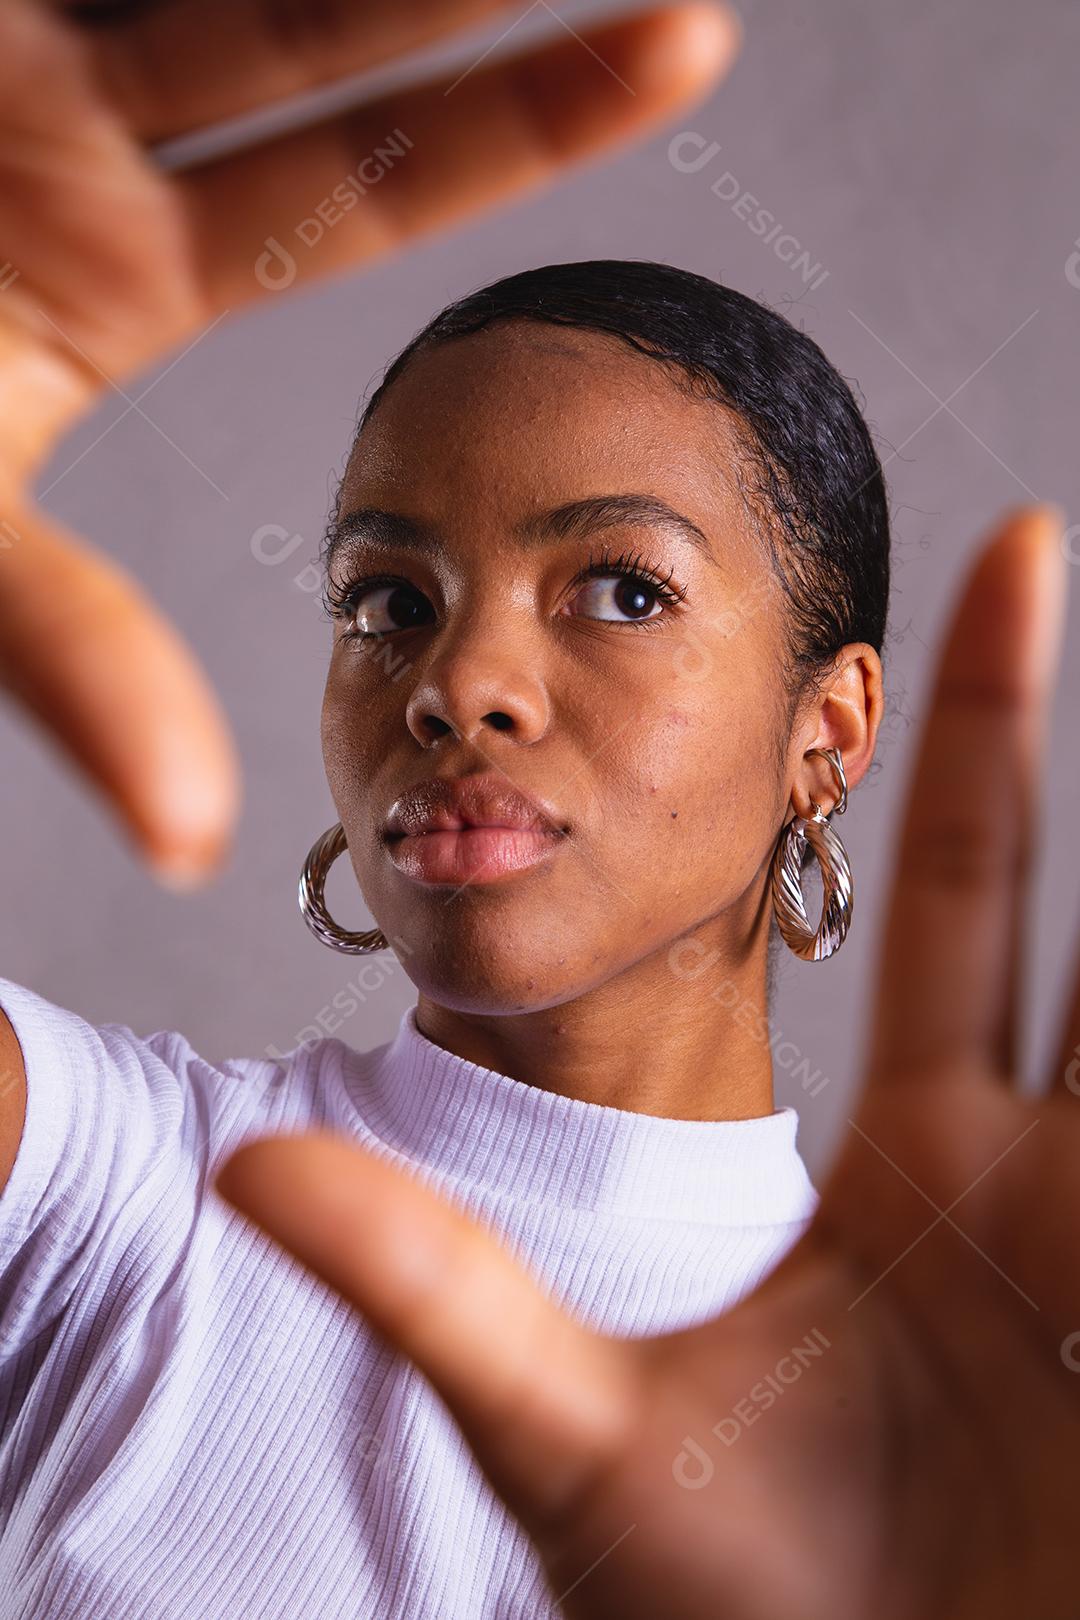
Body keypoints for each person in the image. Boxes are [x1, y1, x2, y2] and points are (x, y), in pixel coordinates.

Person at [1, 10, 1077, 1620]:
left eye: (624, 590)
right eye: (387, 600)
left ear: (826, 731)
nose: (459, 683)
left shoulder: (943, 1382)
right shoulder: (106, 1188)